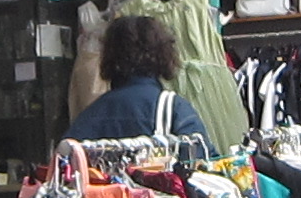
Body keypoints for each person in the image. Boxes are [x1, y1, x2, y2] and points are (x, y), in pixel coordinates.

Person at [66, 13, 210, 145]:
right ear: (164, 53)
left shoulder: (93, 113)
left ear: (108, 55)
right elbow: (203, 157)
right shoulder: (175, 109)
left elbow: (68, 155)